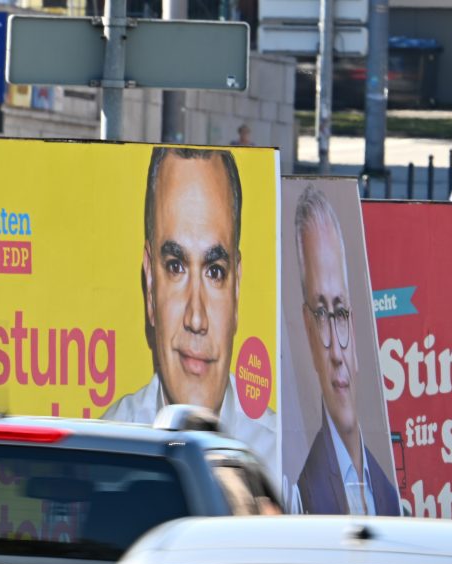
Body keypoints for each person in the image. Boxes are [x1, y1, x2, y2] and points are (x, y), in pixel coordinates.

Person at [104, 147, 280, 471]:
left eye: (215, 272)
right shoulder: (111, 447)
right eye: (175, 266)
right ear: (150, 284)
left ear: (237, 289)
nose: (196, 318)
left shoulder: (280, 461)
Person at [288, 187, 398, 515]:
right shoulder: (304, 492)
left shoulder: (388, 489)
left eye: (340, 311)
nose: (336, 351)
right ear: (307, 329)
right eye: (322, 315)